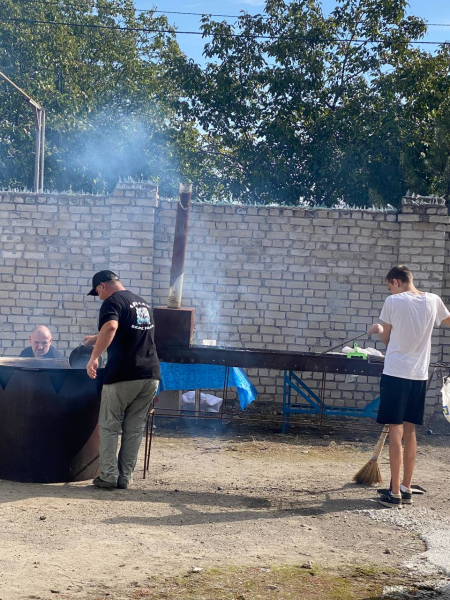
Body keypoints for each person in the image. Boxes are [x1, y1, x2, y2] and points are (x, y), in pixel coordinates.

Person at [368, 265, 450, 508]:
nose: (390, 291)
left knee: (395, 430)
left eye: (389, 287)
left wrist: (378, 329)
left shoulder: (393, 302)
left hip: (395, 373)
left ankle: (393, 494)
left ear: (396, 282)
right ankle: (406, 487)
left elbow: (388, 339)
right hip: (418, 375)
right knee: (410, 430)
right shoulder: (433, 300)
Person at [84, 270, 160, 490]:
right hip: (150, 375)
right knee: (134, 428)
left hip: (123, 375)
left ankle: (108, 476)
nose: (98, 297)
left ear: (103, 286)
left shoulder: (112, 302)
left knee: (108, 425)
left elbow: (112, 327)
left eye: (97, 292)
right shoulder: (142, 303)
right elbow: (126, 332)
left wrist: (94, 357)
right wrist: (94, 340)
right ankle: (125, 477)